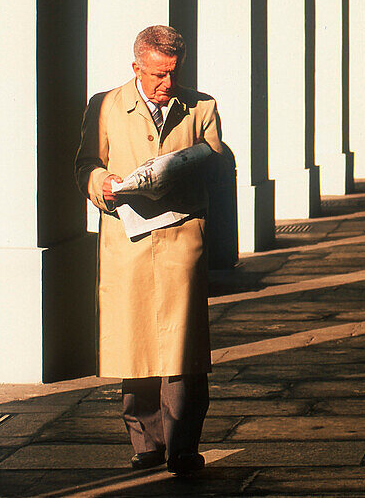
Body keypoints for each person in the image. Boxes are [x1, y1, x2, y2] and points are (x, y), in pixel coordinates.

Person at [75, 25, 223, 477]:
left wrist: (185, 170)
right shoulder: (104, 105)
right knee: (133, 344)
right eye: (158, 75)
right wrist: (101, 184)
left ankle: (182, 448)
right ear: (136, 66)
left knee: (183, 350)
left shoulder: (202, 106)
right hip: (128, 241)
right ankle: (146, 443)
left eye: (173, 74)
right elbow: (87, 162)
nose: (167, 85)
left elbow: (214, 162)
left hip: (181, 242)